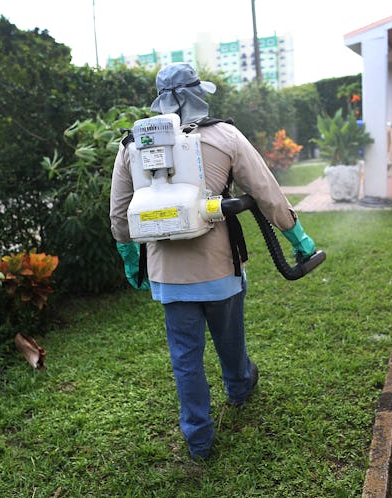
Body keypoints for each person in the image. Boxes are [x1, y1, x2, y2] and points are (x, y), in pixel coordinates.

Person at [109, 62, 316, 460]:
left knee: (185, 358)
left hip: (168, 277)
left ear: (160, 102)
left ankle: (198, 440)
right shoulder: (225, 136)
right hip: (221, 268)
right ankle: (239, 388)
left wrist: (130, 260)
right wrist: (300, 240)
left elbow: (120, 215)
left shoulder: (131, 145)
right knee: (230, 337)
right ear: (198, 94)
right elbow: (269, 195)